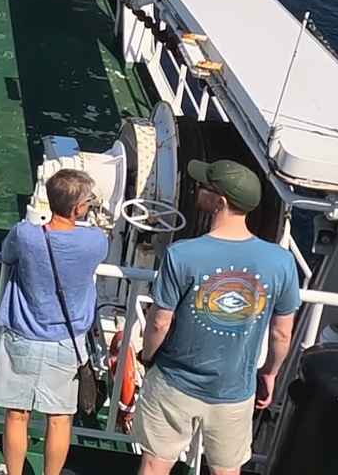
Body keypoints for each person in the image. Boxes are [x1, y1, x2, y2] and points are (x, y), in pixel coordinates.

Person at [134, 160, 299, 475]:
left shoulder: (182, 254)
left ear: (220, 202)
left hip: (174, 381)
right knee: (226, 470)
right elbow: (281, 334)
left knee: (155, 465)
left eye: (205, 187)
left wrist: (148, 356)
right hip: (234, 390)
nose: (198, 189)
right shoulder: (281, 262)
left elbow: (159, 322)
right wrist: (269, 373)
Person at [0, 169, 108, 475]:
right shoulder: (95, 242)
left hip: (22, 336)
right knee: (59, 419)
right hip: (66, 343)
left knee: (17, 414)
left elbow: (6, 255)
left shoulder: (25, 234)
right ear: (78, 208)